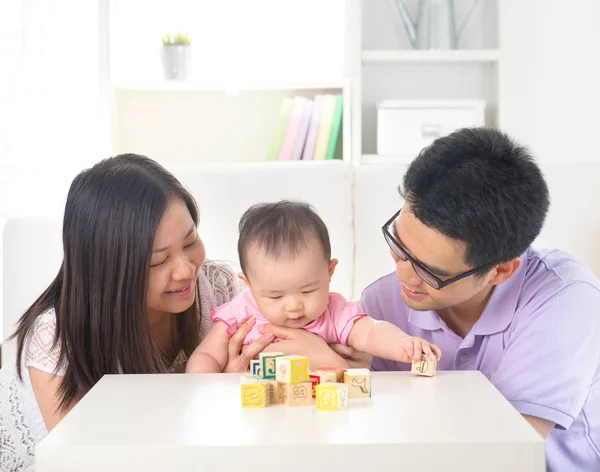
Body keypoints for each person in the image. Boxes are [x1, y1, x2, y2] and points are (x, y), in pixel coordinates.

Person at [0, 154, 339, 471]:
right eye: (158, 261)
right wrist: (215, 393)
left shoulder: (218, 288)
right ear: (108, 272)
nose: (185, 270)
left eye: (191, 242)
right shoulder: (57, 339)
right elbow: (87, 463)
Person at [361, 127, 600, 471]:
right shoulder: (382, 302)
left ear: (500, 271)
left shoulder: (565, 300)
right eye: (399, 247)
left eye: (430, 271)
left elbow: (501, 454)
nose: (404, 276)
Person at [185, 200, 441, 373]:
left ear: (329, 273)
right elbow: (206, 356)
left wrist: (404, 344)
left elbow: (371, 332)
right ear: (249, 285)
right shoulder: (241, 312)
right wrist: (207, 388)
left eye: (308, 291)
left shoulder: (335, 311)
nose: (294, 305)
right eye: (275, 296)